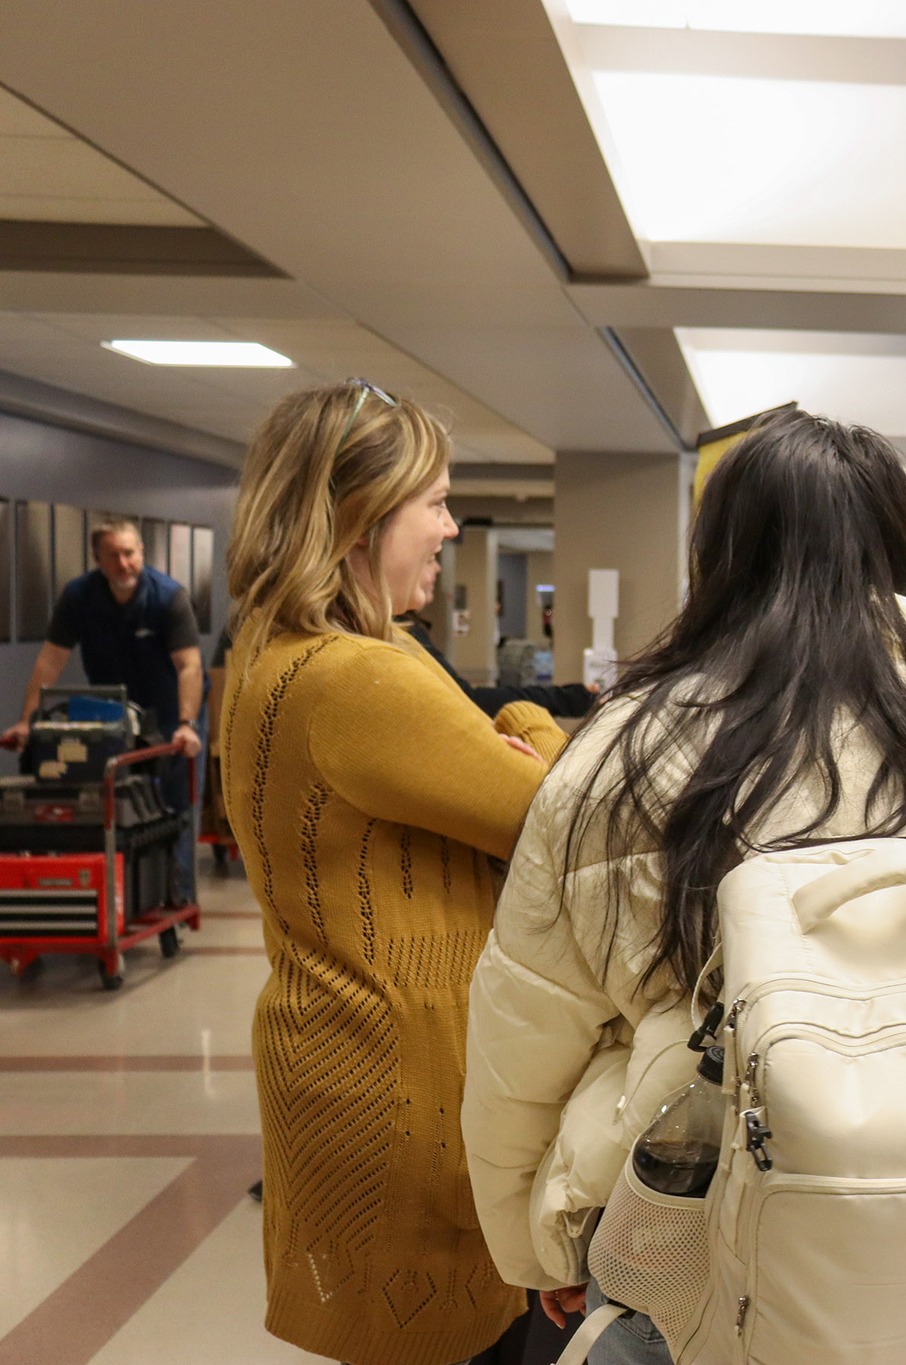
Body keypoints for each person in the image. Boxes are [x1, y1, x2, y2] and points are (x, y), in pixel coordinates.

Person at [462, 410, 906, 1365]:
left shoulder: (627, 751)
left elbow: (529, 1029)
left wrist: (536, 1240)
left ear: (720, 552)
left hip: (680, 1237)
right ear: (898, 549)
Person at [217, 379, 566, 1365]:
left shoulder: (277, 648)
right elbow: (563, 815)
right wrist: (528, 723)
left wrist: (497, 737)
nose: (450, 527)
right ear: (359, 516)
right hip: (401, 1082)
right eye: (435, 502)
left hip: (333, 1054)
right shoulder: (359, 677)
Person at [2, 515, 206, 897]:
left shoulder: (168, 597)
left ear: (141, 552)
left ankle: (174, 894)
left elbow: (190, 665)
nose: (123, 563)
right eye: (113, 556)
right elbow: (50, 661)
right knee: (116, 801)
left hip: (173, 711)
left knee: (175, 803)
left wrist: (187, 722)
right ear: (97, 558)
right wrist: (27, 722)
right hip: (115, 715)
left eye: (129, 553)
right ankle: (122, 894)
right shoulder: (79, 597)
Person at [398, 610, 599, 719]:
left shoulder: (404, 632)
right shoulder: (400, 635)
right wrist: (570, 699)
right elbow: (469, 701)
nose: (435, 568)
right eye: (430, 560)